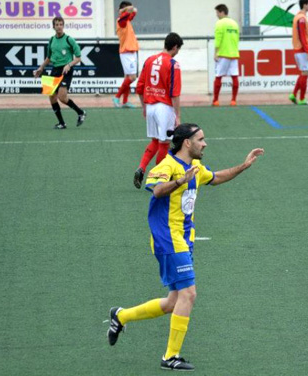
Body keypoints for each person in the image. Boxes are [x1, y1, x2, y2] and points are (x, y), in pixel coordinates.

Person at [107, 123, 264, 371]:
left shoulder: (196, 167)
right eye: (201, 139)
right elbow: (157, 191)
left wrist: (244, 166)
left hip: (183, 239)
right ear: (187, 143)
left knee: (173, 302)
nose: (205, 143)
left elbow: (216, 177)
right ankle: (171, 356)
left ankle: (121, 316)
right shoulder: (166, 166)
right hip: (167, 238)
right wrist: (181, 180)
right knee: (189, 295)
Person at [133, 33, 184, 189]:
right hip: (164, 108)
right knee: (164, 144)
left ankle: (141, 168)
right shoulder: (173, 64)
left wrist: (144, 107)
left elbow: (139, 87)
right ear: (175, 47)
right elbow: (174, 93)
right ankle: (158, 180)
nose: (178, 52)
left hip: (150, 106)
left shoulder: (149, 60)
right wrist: (177, 116)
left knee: (155, 140)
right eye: (178, 49)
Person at [33, 17, 86, 129]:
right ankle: (62, 123)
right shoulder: (51, 40)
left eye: (61, 24)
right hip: (55, 69)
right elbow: (49, 57)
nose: (59, 26)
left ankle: (80, 112)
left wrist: (69, 65)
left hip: (66, 70)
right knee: (51, 97)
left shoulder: (69, 40)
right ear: (53, 27)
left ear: (63, 26)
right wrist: (40, 68)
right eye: (57, 24)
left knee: (62, 97)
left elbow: (78, 58)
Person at [212, 4, 240, 107]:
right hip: (234, 54)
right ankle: (233, 100)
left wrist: (216, 52)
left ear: (221, 12)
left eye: (217, 13)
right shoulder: (234, 23)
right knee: (235, 77)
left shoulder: (220, 23)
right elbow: (236, 39)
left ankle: (216, 100)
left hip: (223, 54)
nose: (217, 15)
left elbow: (218, 39)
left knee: (218, 76)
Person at [113, 1, 139, 109]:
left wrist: (130, 11)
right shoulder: (121, 20)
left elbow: (134, 12)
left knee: (128, 78)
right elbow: (130, 11)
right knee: (132, 77)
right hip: (126, 52)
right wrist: (125, 10)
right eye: (128, 9)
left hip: (131, 51)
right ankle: (117, 96)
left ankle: (125, 101)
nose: (130, 10)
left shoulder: (126, 19)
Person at [289, 0, 308, 106]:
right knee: (305, 74)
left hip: (298, 49)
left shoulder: (298, 17)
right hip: (302, 50)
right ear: (305, 5)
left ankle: (294, 95)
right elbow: (302, 36)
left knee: (303, 73)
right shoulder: (302, 19)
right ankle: (302, 98)